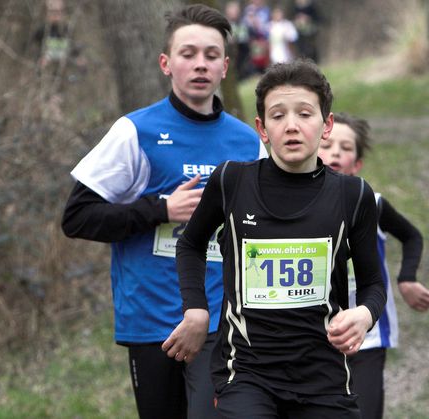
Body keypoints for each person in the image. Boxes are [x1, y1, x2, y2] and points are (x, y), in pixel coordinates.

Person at [61, 4, 267, 419]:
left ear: (225, 67)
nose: (200, 64)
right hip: (152, 318)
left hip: (221, 320)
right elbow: (77, 217)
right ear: (166, 64)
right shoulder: (136, 132)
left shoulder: (247, 143)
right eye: (188, 54)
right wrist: (160, 209)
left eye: (211, 55)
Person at [164, 59, 387, 418]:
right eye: (278, 115)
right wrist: (196, 309)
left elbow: (373, 282)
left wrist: (364, 314)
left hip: (323, 374)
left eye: (305, 114)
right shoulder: (231, 182)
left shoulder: (353, 195)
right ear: (262, 128)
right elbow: (190, 244)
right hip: (247, 372)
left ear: (326, 125)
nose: (292, 126)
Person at [317, 112, 429, 419]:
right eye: (327, 145)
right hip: (312, 336)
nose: (335, 153)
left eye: (345, 148)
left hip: (367, 337)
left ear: (357, 164)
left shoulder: (373, 203)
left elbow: (411, 236)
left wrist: (407, 278)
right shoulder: (291, 207)